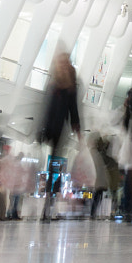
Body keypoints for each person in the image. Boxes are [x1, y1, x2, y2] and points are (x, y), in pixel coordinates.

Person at [38, 49, 82, 220]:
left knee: (54, 167)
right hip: (49, 126)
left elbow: (73, 109)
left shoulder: (69, 86)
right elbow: (46, 108)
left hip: (59, 129)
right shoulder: (54, 83)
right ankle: (47, 204)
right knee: (50, 166)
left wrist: (77, 128)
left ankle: (48, 204)